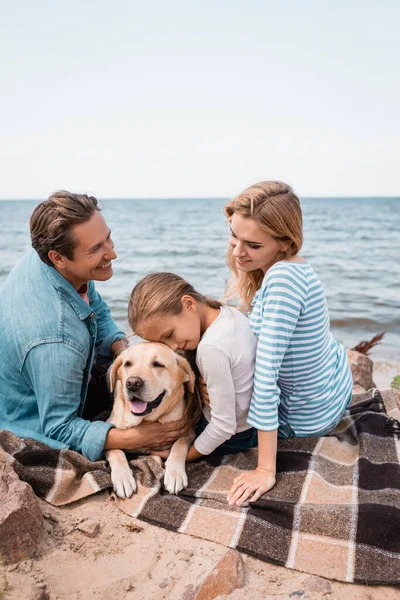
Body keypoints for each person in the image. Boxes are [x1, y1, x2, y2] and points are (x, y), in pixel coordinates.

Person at [0, 191, 188, 461]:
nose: (112, 252)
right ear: (58, 257)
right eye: (96, 249)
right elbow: (58, 427)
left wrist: (123, 350)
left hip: (60, 371)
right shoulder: (57, 339)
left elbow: (95, 308)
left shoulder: (59, 263)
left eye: (107, 237)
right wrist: (134, 438)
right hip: (28, 415)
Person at [224, 181, 353, 506]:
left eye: (252, 244)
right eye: (234, 236)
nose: (238, 251)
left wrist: (266, 469)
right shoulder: (291, 267)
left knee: (204, 428)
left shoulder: (282, 280)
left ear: (284, 242)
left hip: (307, 417)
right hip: (334, 384)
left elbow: (266, 378)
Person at [128, 272, 258, 460]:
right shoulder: (230, 313)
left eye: (170, 334)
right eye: (162, 342)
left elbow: (224, 426)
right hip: (252, 422)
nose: (172, 347)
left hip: (234, 438)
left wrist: (187, 456)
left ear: (189, 304)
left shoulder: (211, 349)